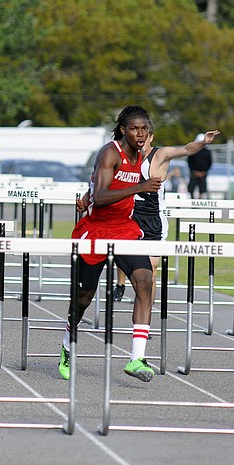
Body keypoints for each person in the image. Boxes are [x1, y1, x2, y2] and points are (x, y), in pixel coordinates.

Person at [59, 105, 162, 383]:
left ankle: (136, 358)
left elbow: (97, 185)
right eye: (134, 129)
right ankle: (68, 345)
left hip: (124, 231)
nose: (140, 134)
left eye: (144, 129)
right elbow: (103, 194)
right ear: (122, 130)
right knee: (83, 299)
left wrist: (86, 194)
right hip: (94, 232)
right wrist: (140, 187)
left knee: (144, 280)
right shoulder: (109, 152)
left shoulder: (140, 154)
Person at [108, 126, 220, 302]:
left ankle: (145, 315)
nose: (140, 139)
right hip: (129, 215)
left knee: (150, 272)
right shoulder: (126, 157)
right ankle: (120, 284)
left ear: (151, 137)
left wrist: (203, 142)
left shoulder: (160, 155)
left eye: (145, 136)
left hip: (153, 218)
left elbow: (186, 149)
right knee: (121, 253)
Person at [187, 133, 212, 199]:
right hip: (194, 173)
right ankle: (192, 201)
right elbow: (189, 162)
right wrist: (194, 171)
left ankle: (199, 201)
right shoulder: (193, 151)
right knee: (191, 188)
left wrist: (203, 172)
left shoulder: (207, 152)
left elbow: (209, 163)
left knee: (202, 189)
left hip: (203, 174)